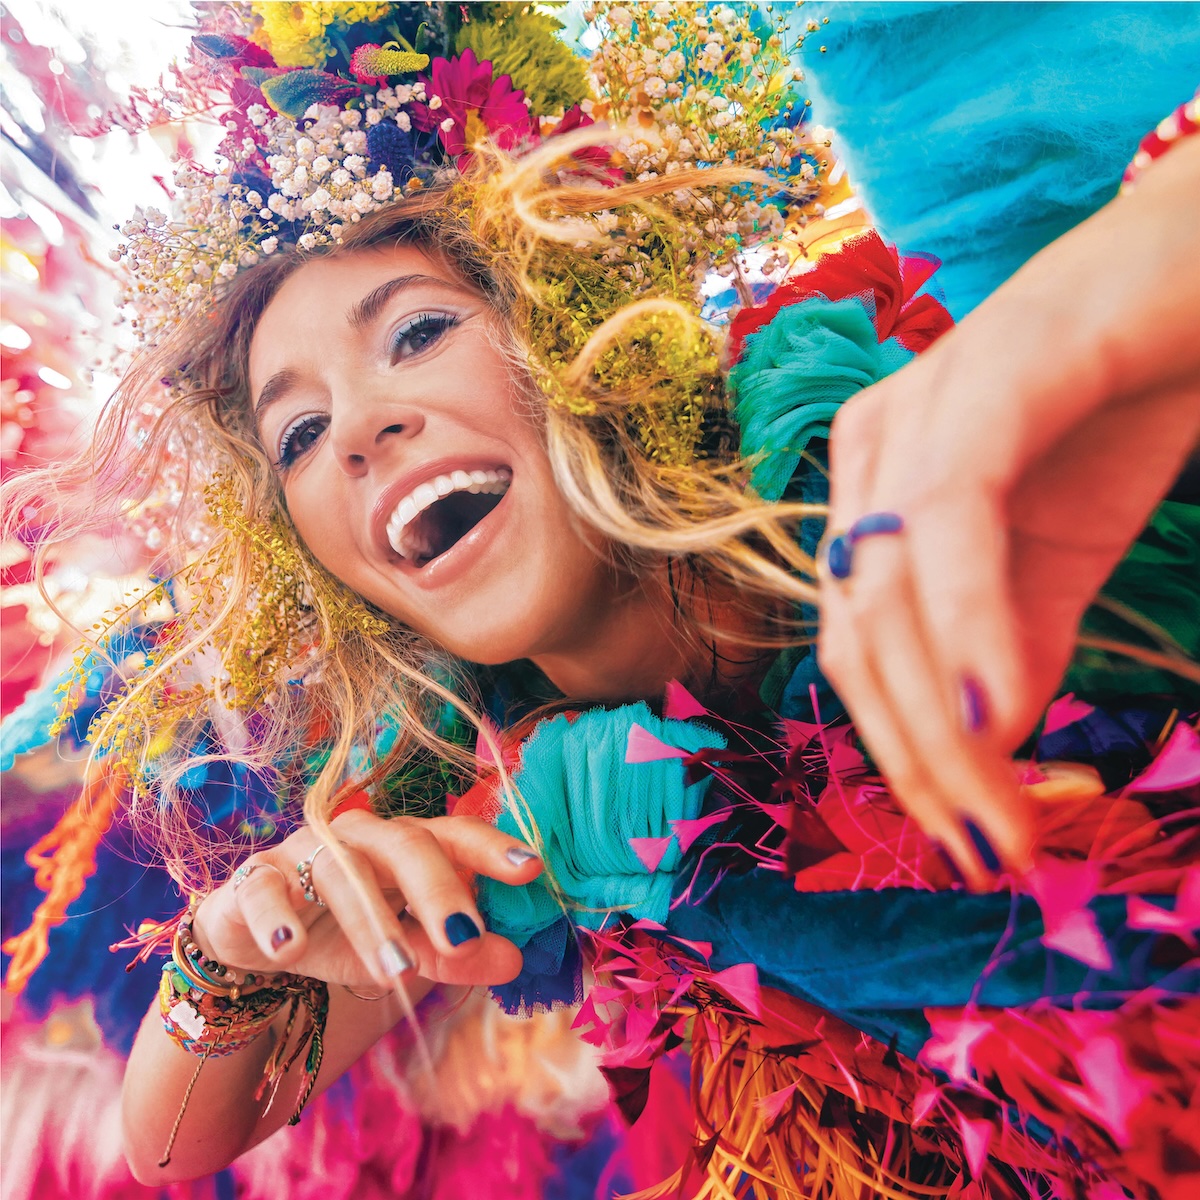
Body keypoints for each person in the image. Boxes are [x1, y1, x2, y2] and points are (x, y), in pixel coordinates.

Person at [3, 3, 1197, 1197]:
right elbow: (177, 1145)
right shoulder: (525, 813)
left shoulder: (882, 428)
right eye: (302, 432)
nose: (361, 427)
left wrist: (1057, 323)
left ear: (579, 331)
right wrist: (227, 946)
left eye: (416, 333)